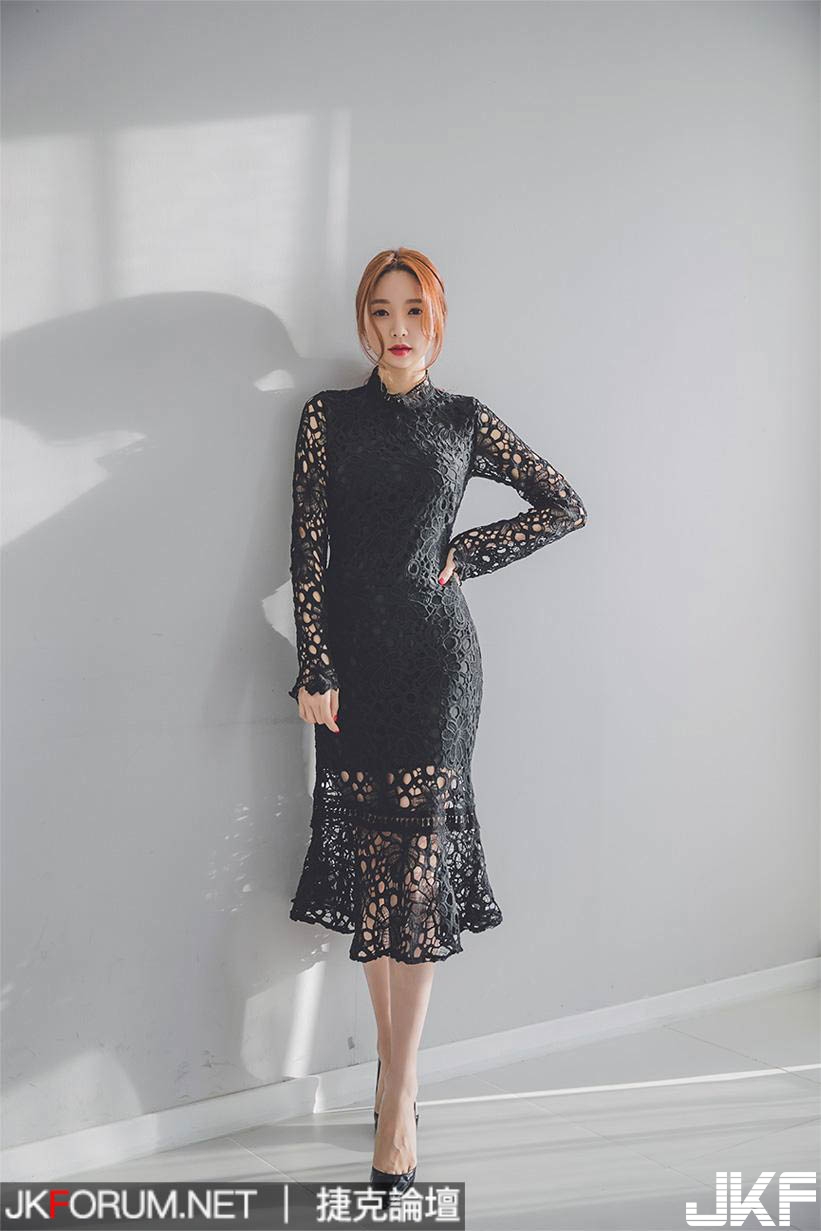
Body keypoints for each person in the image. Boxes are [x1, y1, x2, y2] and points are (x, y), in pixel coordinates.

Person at [287, 247, 588, 1193]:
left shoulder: (463, 420)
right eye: (381, 311)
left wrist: (471, 548)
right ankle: (393, 1073)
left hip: (436, 666)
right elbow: (305, 546)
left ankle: (400, 1088)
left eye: (413, 309)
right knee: (377, 876)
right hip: (351, 668)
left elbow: (563, 504)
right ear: (362, 322)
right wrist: (314, 662)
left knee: (414, 876)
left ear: (437, 319)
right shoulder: (327, 417)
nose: (397, 327)